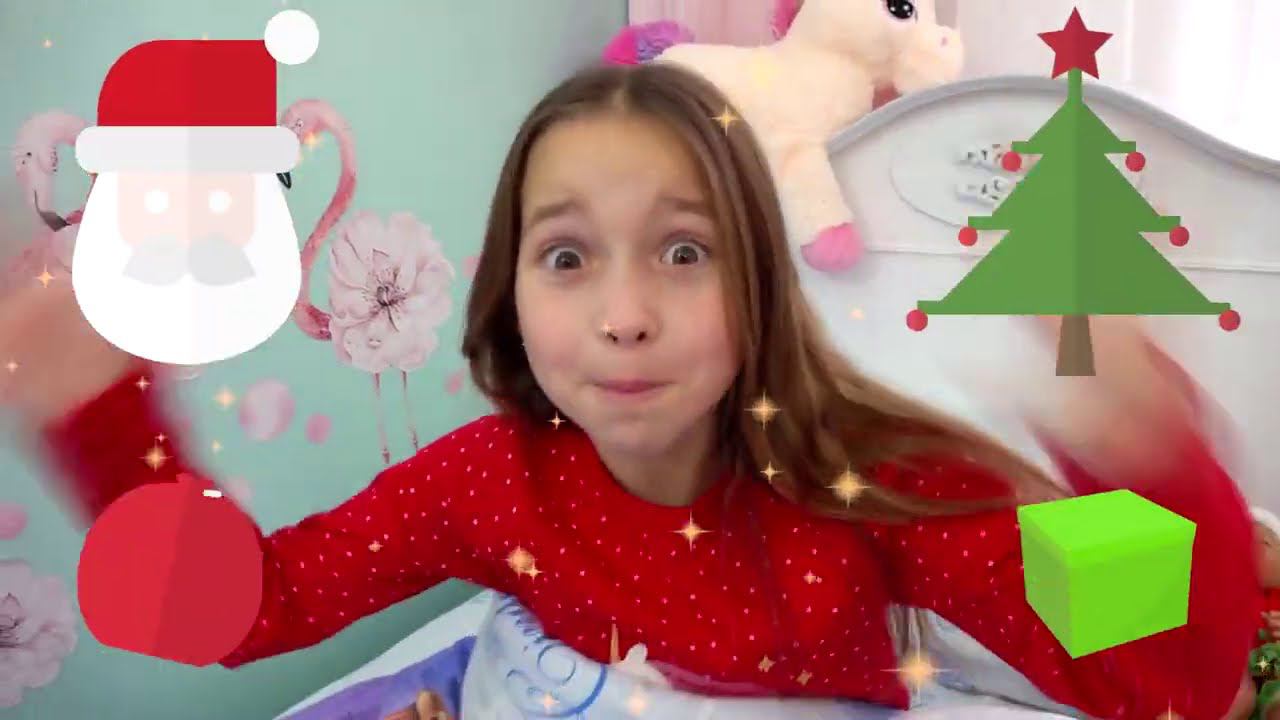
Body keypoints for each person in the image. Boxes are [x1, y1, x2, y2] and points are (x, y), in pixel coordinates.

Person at [0, 62, 1257, 719]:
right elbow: (253, 609)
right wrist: (101, 420)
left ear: (758, 287)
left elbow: (1167, 689)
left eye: (683, 252)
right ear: (511, 291)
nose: (622, 314)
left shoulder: (864, 477)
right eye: (566, 257)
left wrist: (1145, 454)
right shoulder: (483, 483)